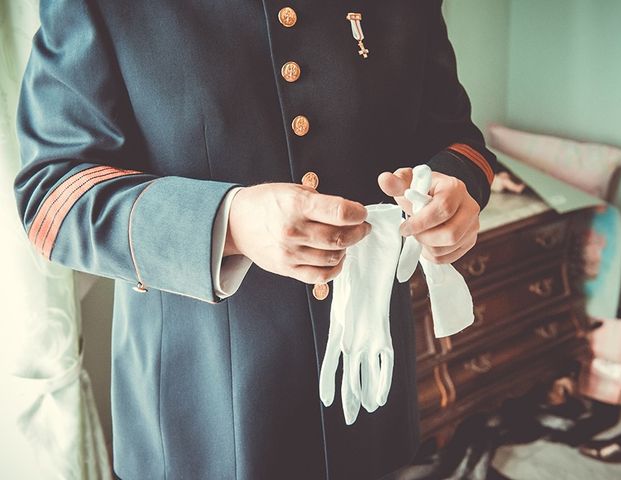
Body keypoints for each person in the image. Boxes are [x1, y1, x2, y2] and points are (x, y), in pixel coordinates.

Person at [14, 1, 497, 478]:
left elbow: (457, 140)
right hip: (198, 418)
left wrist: (455, 189)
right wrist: (231, 221)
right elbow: (52, 198)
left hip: (367, 389)